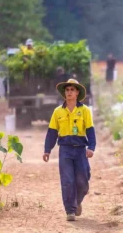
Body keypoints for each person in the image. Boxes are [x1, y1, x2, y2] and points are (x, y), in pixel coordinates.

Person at [43, 79, 96, 221]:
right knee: (67, 181)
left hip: (80, 151)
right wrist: (47, 150)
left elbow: (90, 131)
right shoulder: (58, 112)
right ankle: (70, 211)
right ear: (64, 93)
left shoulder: (84, 111)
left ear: (78, 92)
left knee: (83, 181)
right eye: (67, 90)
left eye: (72, 90)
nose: (69, 92)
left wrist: (91, 147)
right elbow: (52, 132)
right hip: (65, 150)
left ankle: (77, 202)